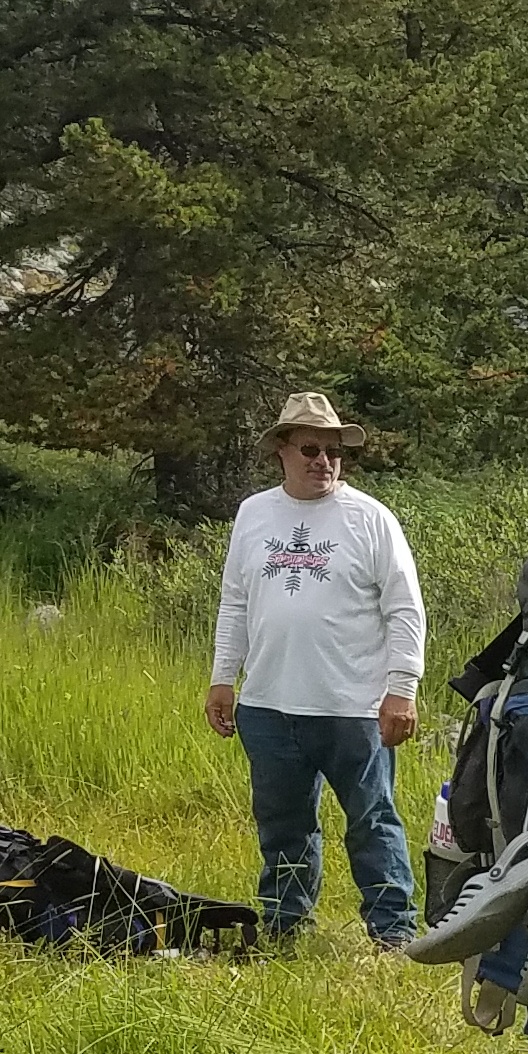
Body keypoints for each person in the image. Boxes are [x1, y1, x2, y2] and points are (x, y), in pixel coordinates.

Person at [207, 392, 427, 947]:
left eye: (333, 451)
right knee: (282, 826)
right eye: (310, 449)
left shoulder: (371, 519)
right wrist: (222, 677)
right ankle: (284, 928)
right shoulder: (254, 514)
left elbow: (405, 607)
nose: (323, 462)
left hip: (352, 708)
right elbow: (235, 600)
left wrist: (401, 689)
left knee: (372, 821)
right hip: (268, 706)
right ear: (281, 450)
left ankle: (393, 935)